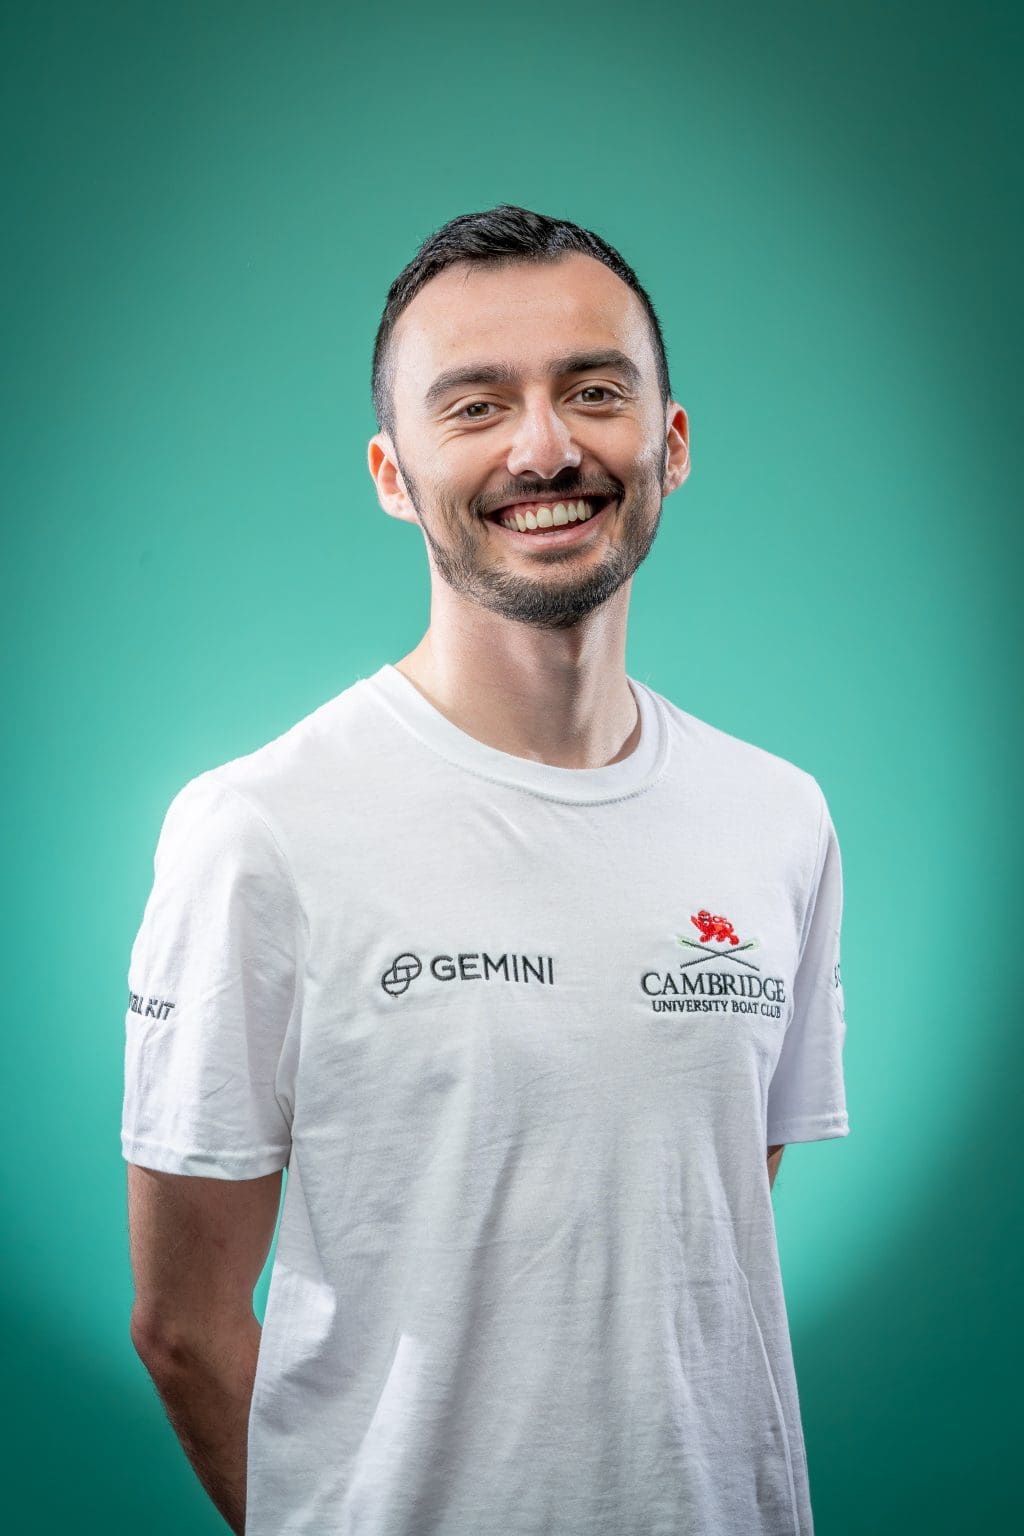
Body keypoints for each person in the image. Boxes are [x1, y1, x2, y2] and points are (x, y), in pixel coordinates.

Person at [123, 204, 850, 1536]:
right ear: (393, 474)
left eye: (595, 392)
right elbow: (184, 1327)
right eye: (475, 407)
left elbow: (702, 1233)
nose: (545, 448)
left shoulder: (779, 818)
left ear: (672, 442)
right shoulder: (258, 831)